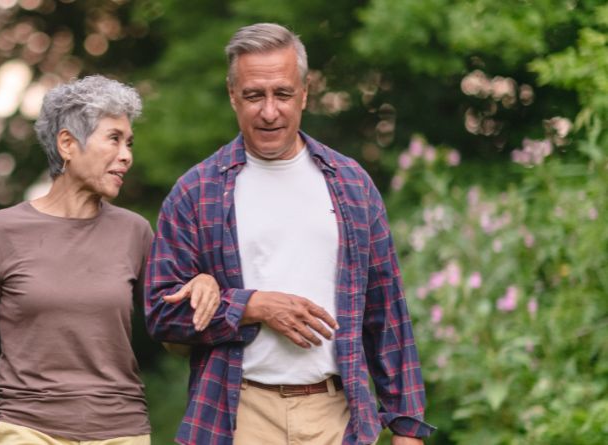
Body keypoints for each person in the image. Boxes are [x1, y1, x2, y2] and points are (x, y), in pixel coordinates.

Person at [144, 23, 435, 445]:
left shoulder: (352, 183)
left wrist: (407, 426)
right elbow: (161, 313)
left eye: (281, 94)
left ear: (305, 92)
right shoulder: (196, 191)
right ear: (232, 95)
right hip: (237, 414)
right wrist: (252, 306)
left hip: (336, 415)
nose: (268, 111)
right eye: (253, 95)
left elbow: (385, 308)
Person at [0, 75, 220, 445]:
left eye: (129, 142)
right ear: (67, 144)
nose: (126, 155)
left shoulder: (135, 232)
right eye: (113, 139)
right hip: (26, 424)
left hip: (120, 428)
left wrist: (203, 284)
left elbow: (175, 337)